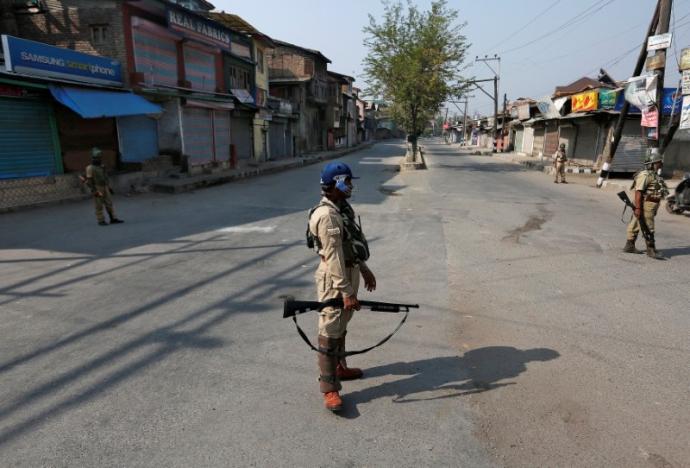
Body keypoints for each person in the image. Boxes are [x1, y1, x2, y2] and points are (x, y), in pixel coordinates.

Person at [307, 161, 376, 412]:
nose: (350, 186)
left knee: (342, 322)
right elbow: (333, 256)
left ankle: (339, 368)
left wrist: (364, 269)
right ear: (336, 183)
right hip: (335, 277)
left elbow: (350, 244)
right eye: (347, 181)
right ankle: (330, 389)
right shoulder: (327, 216)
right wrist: (346, 291)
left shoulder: (341, 208)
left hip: (348, 270)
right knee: (330, 326)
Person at [623, 151, 667, 259]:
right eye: (659, 162)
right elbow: (639, 192)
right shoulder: (645, 175)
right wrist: (638, 208)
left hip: (651, 205)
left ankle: (629, 245)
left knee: (635, 223)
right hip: (645, 204)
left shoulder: (654, 175)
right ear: (652, 163)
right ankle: (651, 249)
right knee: (648, 226)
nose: (661, 164)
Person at [84, 147, 124, 226]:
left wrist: (109, 187)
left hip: (105, 186)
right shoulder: (90, 168)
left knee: (109, 203)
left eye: (99, 158)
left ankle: (113, 218)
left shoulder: (102, 166)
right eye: (96, 158)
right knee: (98, 205)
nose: (98, 159)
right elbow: (89, 181)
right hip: (97, 187)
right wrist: (94, 190)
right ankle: (101, 220)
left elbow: (105, 177)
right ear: (93, 158)